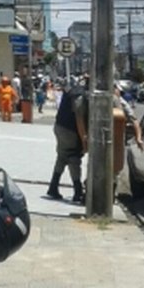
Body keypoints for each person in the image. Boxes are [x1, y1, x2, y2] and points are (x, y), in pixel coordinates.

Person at [47, 74, 89, 203]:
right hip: (69, 130)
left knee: (62, 156)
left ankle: (53, 186)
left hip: (59, 126)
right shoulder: (80, 95)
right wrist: (84, 139)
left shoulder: (74, 91)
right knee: (73, 157)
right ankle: (78, 191)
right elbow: (79, 119)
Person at [115, 84, 144, 150]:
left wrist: (138, 139)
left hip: (118, 138)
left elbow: (134, 120)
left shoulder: (123, 103)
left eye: (119, 92)